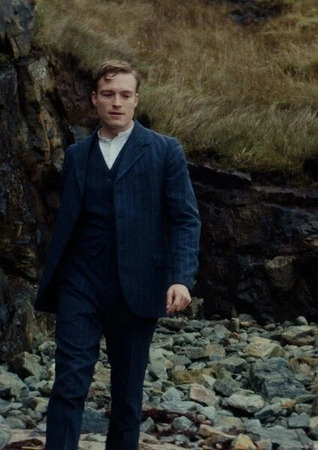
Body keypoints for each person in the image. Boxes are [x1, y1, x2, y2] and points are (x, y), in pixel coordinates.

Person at [35, 60, 201, 449]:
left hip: (139, 284)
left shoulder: (164, 150)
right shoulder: (77, 155)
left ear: (136, 100)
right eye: (108, 94)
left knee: (127, 394)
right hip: (80, 283)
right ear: (94, 99)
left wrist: (181, 278)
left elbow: (184, 219)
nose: (117, 102)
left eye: (125, 95)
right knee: (68, 383)